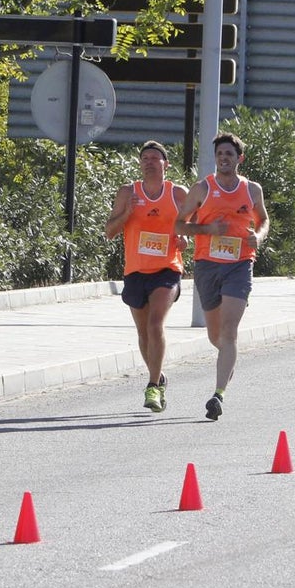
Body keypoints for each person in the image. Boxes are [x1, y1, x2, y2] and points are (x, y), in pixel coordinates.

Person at [175, 132, 270, 421]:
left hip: (240, 264)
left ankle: (218, 395)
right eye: (220, 155)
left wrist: (259, 236)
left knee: (229, 331)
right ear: (215, 159)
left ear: (239, 158)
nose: (224, 159)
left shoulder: (252, 190)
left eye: (229, 154)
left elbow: (263, 219)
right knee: (215, 335)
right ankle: (228, 360)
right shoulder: (202, 189)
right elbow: (179, 224)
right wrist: (206, 231)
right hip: (207, 264)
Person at [105, 141, 188, 413]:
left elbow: (191, 226)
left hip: (168, 268)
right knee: (143, 333)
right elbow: (109, 231)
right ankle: (159, 376)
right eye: (145, 158)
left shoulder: (177, 194)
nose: (149, 162)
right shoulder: (128, 192)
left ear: (166, 164)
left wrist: (185, 238)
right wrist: (127, 213)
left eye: (155, 158)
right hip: (136, 270)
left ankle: (152, 385)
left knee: (155, 324)